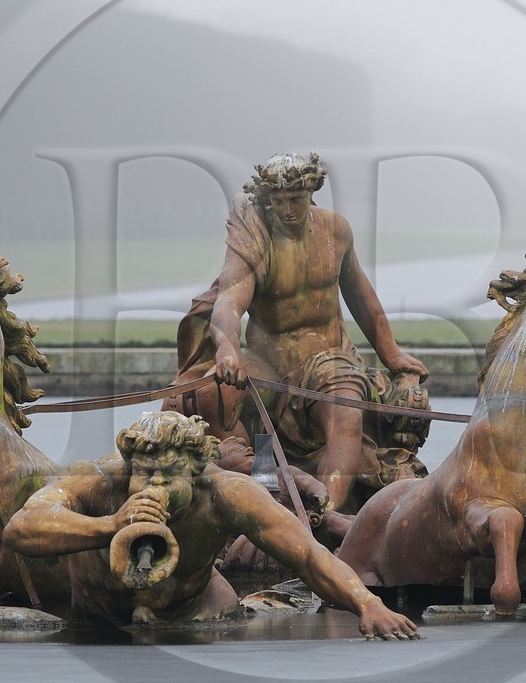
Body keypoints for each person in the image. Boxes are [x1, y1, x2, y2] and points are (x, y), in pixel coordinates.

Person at [1, 411, 419, 638]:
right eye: (145, 474)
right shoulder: (98, 478)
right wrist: (109, 525)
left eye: (169, 476)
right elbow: (22, 527)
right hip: (98, 618)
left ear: (196, 474)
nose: (155, 485)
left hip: (193, 617)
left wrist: (367, 604)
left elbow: (307, 555)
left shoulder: (226, 492)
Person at [170, 152, 430, 513]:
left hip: (329, 359)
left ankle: (325, 510)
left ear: (312, 193)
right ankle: (265, 493)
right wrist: (227, 348)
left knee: (345, 405)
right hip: (269, 362)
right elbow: (228, 303)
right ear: (268, 200)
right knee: (221, 394)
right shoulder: (255, 240)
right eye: (279, 202)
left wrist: (392, 354)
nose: (288, 210)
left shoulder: (335, 230)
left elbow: (361, 297)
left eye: (296, 199)